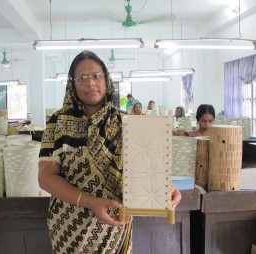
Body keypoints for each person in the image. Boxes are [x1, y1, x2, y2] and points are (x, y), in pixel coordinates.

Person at [38, 50, 182, 254]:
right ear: (72, 84)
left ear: (106, 79)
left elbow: (146, 169)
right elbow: (45, 178)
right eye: (82, 78)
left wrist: (165, 186)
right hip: (69, 227)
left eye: (96, 76)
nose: (90, 83)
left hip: (115, 226)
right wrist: (90, 202)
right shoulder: (58, 122)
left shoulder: (127, 123)